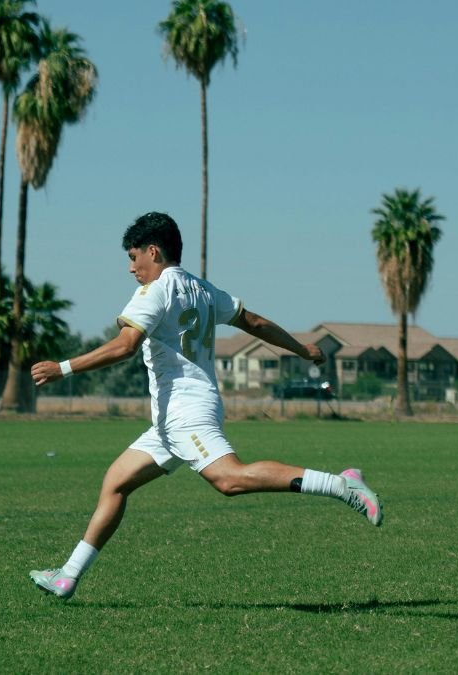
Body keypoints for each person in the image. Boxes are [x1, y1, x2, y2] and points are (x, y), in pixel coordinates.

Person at [28, 212, 383, 600]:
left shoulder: (155, 291)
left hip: (186, 414)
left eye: (133, 257)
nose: (131, 268)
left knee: (229, 479)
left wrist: (63, 368)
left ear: (153, 251)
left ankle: (339, 483)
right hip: (173, 419)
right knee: (116, 483)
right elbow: (254, 322)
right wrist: (300, 348)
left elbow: (125, 346)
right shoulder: (201, 288)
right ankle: (68, 576)